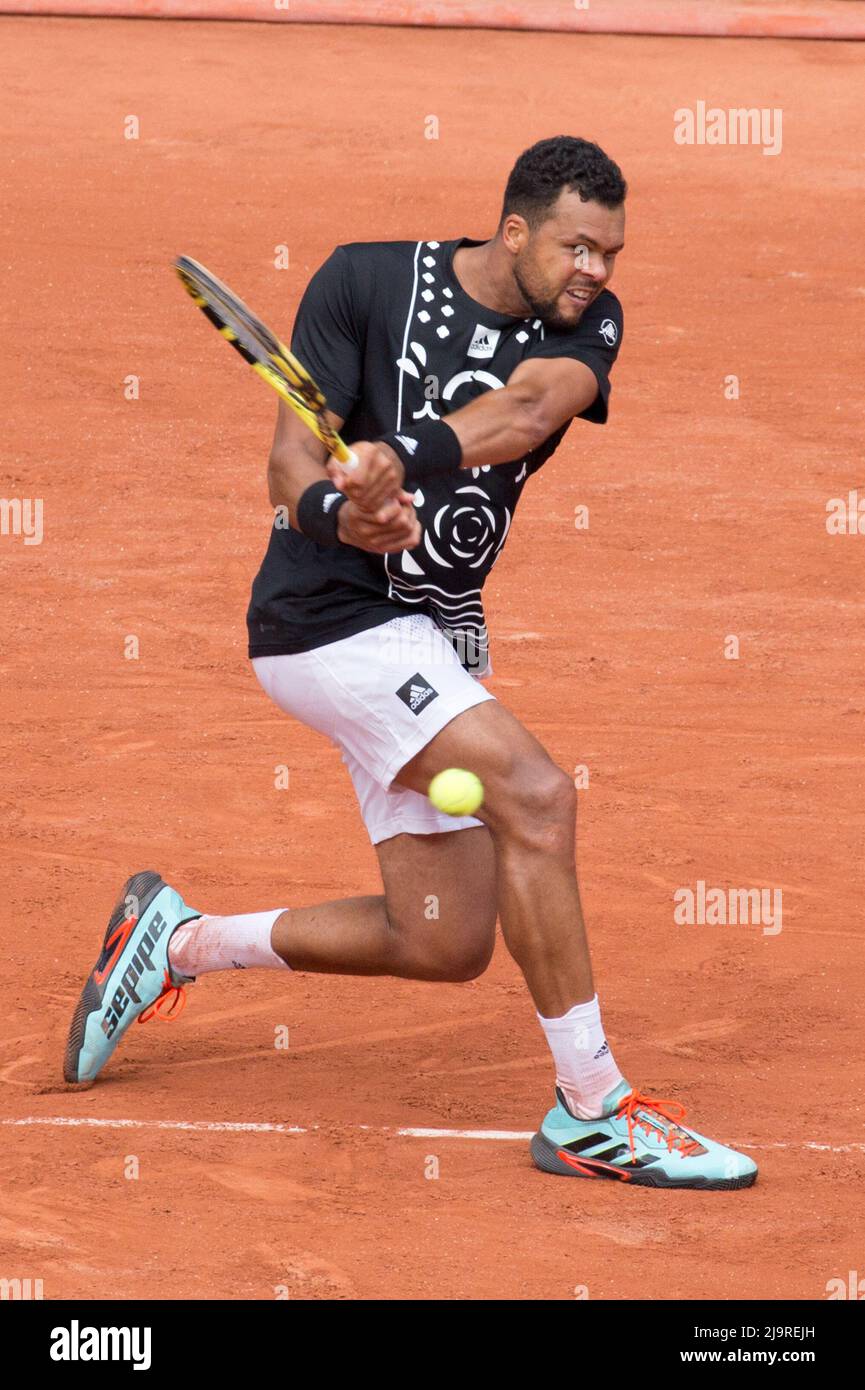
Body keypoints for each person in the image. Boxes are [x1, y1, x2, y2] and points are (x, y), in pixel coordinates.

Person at [65, 136, 756, 1190]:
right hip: (327, 617)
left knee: (441, 938)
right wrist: (335, 513)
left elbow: (527, 408)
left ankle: (178, 942)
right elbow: (290, 456)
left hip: (433, 634)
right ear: (515, 228)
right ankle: (593, 1109)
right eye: (576, 246)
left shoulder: (585, 325)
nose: (596, 271)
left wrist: (408, 454)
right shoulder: (362, 279)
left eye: (609, 252)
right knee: (536, 798)